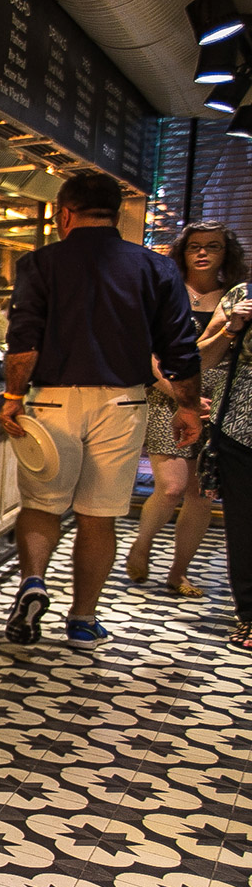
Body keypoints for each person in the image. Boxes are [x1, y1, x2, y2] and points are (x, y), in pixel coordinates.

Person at [0, 171, 202, 649]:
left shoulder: (40, 263)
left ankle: (33, 583)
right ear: (117, 214)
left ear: (64, 214)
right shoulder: (156, 268)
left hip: (52, 401)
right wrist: (188, 407)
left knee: (41, 504)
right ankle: (83, 620)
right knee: (98, 515)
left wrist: (12, 398)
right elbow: (179, 347)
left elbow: (23, 339)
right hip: (123, 402)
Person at [124, 221, 246, 596]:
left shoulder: (235, 297)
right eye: (195, 246)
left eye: (213, 246)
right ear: (183, 252)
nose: (203, 253)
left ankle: (179, 572)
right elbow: (149, 353)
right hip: (168, 394)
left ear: (227, 253)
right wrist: (181, 396)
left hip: (219, 400)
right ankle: (142, 544)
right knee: (172, 487)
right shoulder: (165, 292)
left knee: (201, 492)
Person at [194, 225, 252, 650]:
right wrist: (232, 327)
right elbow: (199, 358)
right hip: (240, 428)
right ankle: (249, 615)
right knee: (244, 526)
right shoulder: (241, 296)